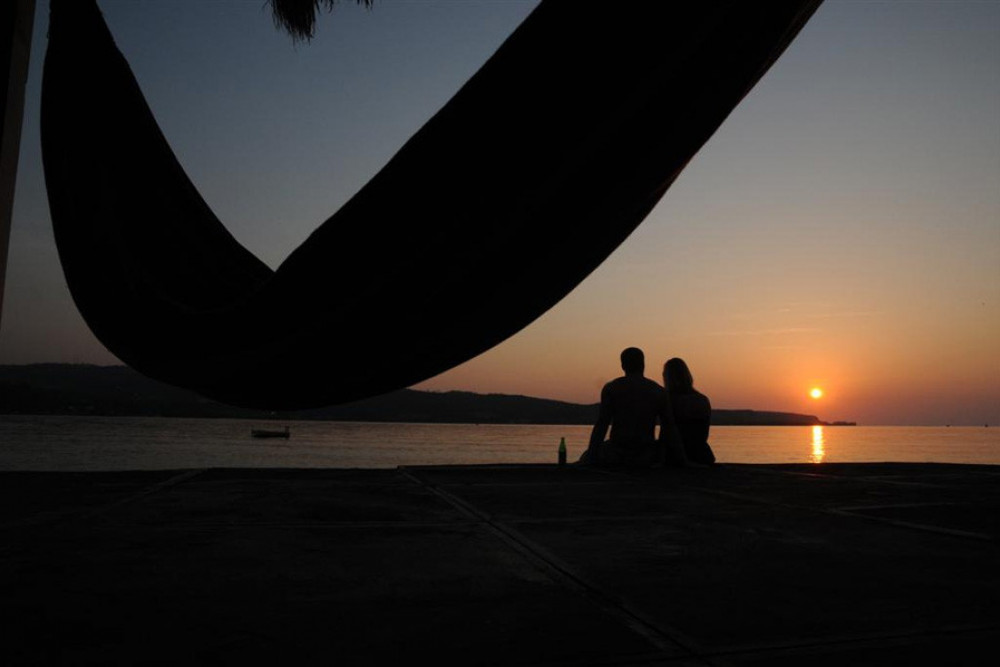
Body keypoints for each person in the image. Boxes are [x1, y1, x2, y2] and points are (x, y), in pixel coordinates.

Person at [580, 347, 670, 467]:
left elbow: (602, 424)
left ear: (623, 366)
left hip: (617, 453)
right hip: (647, 454)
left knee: (585, 456)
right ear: (643, 364)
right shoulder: (658, 391)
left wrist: (591, 454)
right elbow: (669, 427)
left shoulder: (612, 388)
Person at [662, 357, 715, 465]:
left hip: (675, 456)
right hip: (702, 454)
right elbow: (703, 433)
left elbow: (667, 433)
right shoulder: (702, 399)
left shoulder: (669, 401)